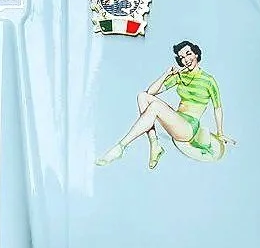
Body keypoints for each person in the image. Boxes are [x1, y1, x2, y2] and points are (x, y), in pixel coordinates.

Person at [98, 41, 232, 169]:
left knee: (155, 107)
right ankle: (154, 144)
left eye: (188, 53)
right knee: (142, 96)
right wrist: (166, 74)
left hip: (189, 127)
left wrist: (220, 133)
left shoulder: (209, 80)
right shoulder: (180, 76)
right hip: (177, 120)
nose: (186, 59)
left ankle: (121, 146)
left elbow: (217, 107)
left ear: (196, 54)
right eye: (182, 57)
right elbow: (151, 92)